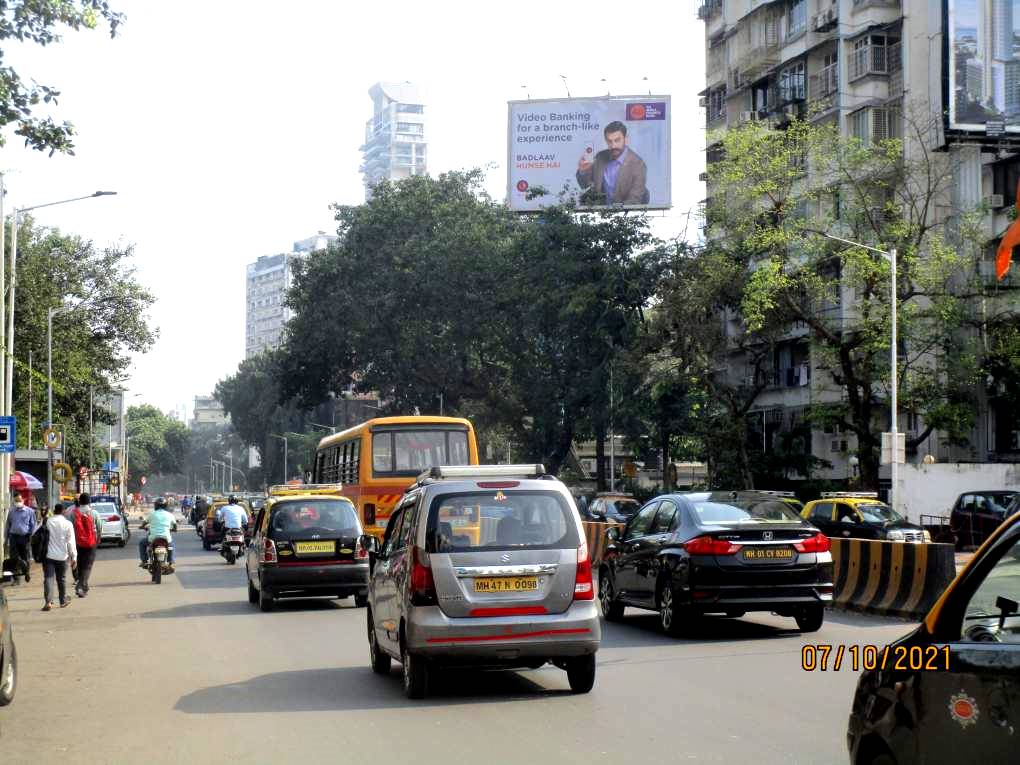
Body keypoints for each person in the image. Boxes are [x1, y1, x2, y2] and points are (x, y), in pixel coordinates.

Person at [575, 120, 649, 206]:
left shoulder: (638, 165)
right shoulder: (600, 157)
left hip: (622, 215)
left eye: (617, 140)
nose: (613, 145)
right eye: (609, 141)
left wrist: (616, 215)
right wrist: (583, 171)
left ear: (626, 139)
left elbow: (634, 200)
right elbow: (585, 186)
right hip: (599, 212)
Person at [42, 502, 77, 611]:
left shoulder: (48, 522)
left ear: (54, 510)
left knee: (48, 578)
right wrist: (74, 557)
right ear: (63, 512)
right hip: (63, 556)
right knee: (61, 579)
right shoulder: (68, 524)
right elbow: (71, 542)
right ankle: (62, 601)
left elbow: (36, 533)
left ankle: (48, 601)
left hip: (48, 555)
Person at [67, 493, 103, 598]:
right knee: (88, 566)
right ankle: (80, 586)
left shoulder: (73, 513)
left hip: (77, 542)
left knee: (80, 564)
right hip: (91, 543)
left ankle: (84, 587)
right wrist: (99, 538)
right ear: (89, 502)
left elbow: (69, 527)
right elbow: (99, 526)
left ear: (79, 502)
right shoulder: (94, 513)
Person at [5, 494, 38, 582]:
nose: (18, 503)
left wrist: (30, 534)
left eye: (19, 501)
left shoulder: (29, 511)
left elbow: (33, 524)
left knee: (25, 556)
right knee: (13, 557)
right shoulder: (11, 511)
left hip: (24, 537)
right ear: (14, 502)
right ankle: (16, 576)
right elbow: (8, 525)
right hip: (13, 536)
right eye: (16, 501)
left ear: (22, 500)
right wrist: (6, 537)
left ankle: (26, 572)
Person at [139, 498, 177, 569]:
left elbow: (145, 522)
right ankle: (171, 562)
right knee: (171, 546)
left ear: (155, 506)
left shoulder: (152, 514)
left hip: (153, 538)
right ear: (166, 506)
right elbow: (175, 525)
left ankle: (144, 561)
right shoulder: (170, 515)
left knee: (142, 543)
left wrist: (142, 526)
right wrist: (174, 529)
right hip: (166, 538)